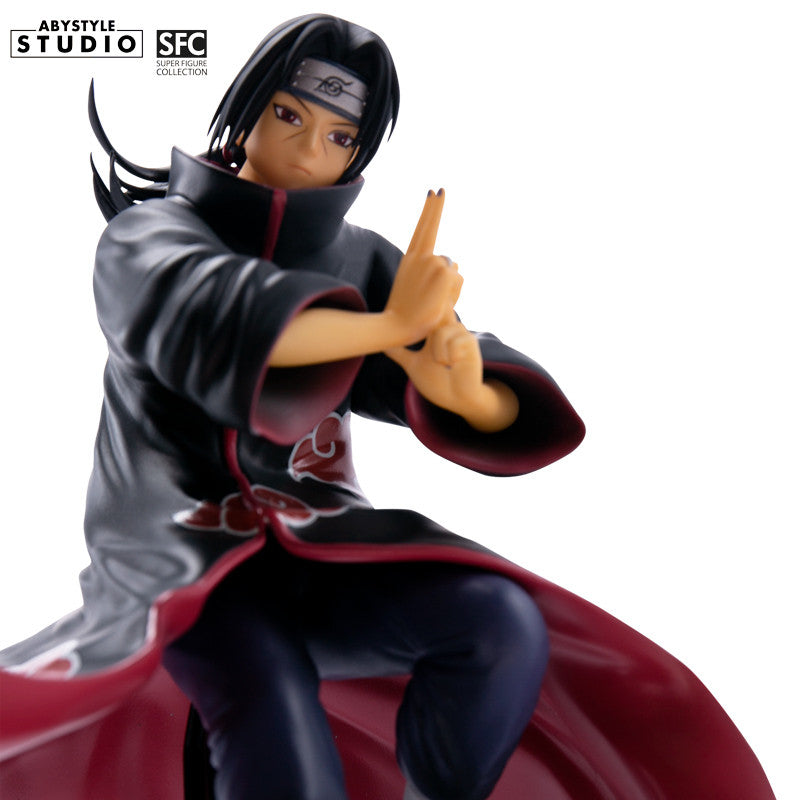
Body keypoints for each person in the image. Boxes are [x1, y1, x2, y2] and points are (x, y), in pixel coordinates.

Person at [0, 14, 776, 800]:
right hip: (180, 564)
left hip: (317, 551)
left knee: (494, 623)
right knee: (268, 697)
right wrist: (387, 325)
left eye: (339, 137)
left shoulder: (357, 257)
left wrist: (461, 387)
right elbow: (218, 313)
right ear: (245, 110)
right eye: (289, 115)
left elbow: (440, 355)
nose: (309, 149)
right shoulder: (149, 237)